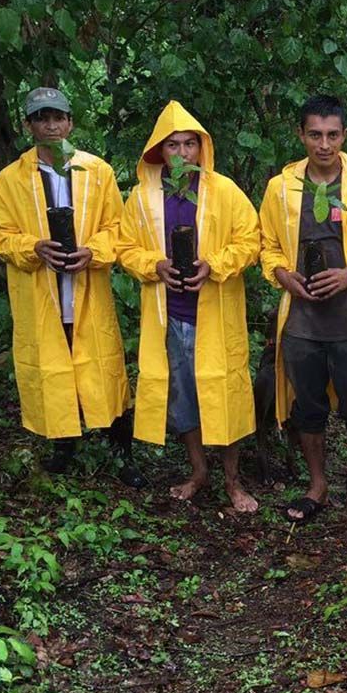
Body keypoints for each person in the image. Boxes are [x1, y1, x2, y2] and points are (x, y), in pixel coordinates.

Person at [0, 86, 145, 487]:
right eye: (42, 118)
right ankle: (64, 445)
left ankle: (120, 449)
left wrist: (92, 251)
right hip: (42, 293)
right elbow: (0, 234)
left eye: (58, 117)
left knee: (102, 368)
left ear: (71, 121)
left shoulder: (97, 171)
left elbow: (117, 228)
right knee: (53, 369)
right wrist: (33, 247)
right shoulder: (11, 180)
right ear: (29, 125)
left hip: (87, 289)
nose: (51, 125)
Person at [259, 95, 347, 526]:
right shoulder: (281, 188)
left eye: (332, 135)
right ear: (301, 135)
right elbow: (265, 245)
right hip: (302, 317)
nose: (324, 144)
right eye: (315, 134)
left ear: (345, 136)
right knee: (308, 404)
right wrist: (282, 274)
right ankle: (316, 485)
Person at [117, 101, 260, 512]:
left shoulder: (224, 192)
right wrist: (155, 265)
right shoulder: (143, 198)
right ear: (159, 151)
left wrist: (213, 266)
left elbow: (250, 241)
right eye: (173, 145)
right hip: (169, 316)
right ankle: (198, 471)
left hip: (215, 315)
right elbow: (125, 248)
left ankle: (234, 481)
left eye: (189, 145)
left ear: (201, 148)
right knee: (183, 398)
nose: (182, 153)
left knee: (225, 396)